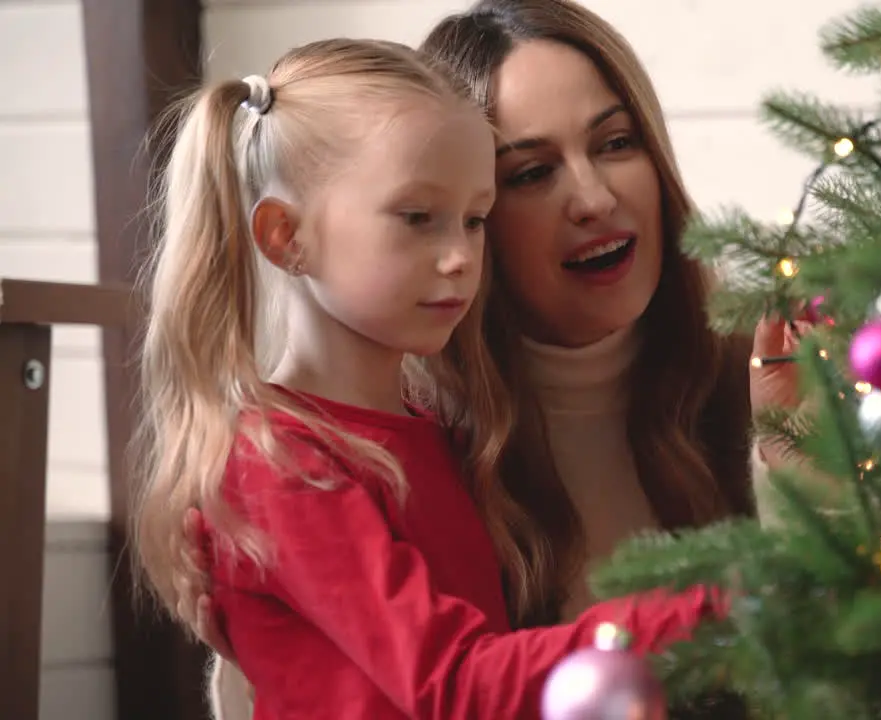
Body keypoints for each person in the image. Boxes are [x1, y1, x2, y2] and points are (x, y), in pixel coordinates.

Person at [188, 0, 808, 715]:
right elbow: (451, 680)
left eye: (614, 143)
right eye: (532, 172)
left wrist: (802, 479)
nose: (595, 198)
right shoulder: (377, 443)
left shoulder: (765, 365)